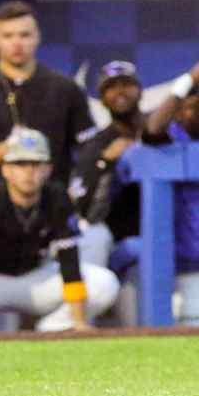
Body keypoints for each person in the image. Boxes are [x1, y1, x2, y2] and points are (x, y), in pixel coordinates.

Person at [0, 128, 119, 334]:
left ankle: (53, 330)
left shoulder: (57, 196)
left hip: (36, 279)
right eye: (20, 164)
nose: (28, 172)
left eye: (36, 164)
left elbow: (69, 258)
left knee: (104, 282)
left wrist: (79, 320)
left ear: (48, 169)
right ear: (5, 169)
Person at [0, 0, 97, 198]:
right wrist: (8, 149)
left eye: (25, 35)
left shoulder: (66, 89)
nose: (17, 43)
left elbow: (91, 150)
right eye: (8, 36)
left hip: (56, 208)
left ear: (37, 37)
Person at [68, 61, 145, 324]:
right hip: (116, 240)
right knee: (93, 235)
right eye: (111, 88)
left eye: (127, 85)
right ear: (102, 98)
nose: (120, 92)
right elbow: (84, 209)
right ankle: (85, 321)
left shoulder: (159, 133)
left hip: (167, 234)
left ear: (140, 90)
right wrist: (106, 163)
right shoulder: (97, 145)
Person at [138, 64, 199, 326]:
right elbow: (152, 128)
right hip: (185, 264)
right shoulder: (171, 138)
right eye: (189, 105)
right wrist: (189, 79)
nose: (194, 111)